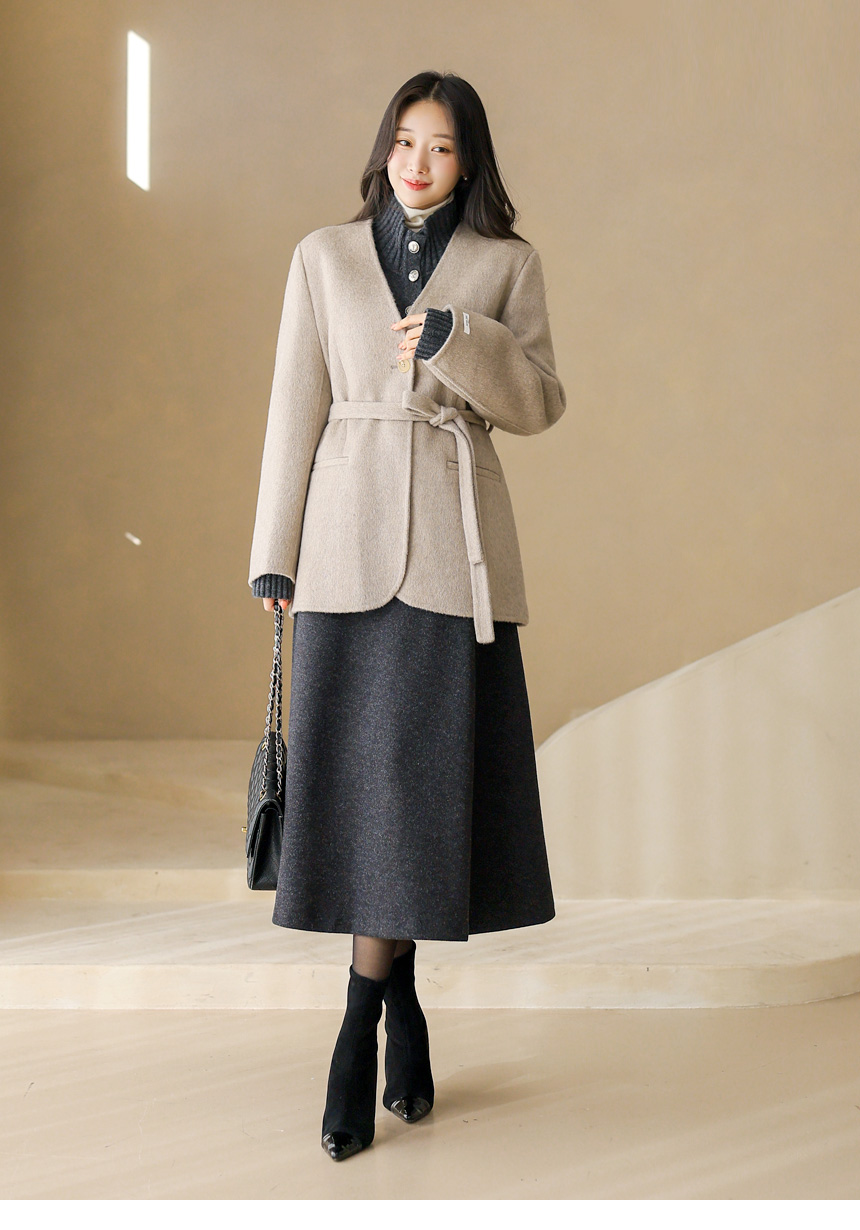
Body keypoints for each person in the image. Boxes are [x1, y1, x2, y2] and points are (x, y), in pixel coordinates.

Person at [248, 69, 566, 1162]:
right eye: (402, 142)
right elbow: (293, 404)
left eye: (439, 146)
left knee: (416, 802)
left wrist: (453, 338)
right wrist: (272, 551)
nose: (416, 163)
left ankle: (361, 1024)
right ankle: (389, 1011)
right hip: (341, 549)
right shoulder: (323, 257)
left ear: (467, 161)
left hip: (452, 558)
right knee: (362, 801)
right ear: (383, 149)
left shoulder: (507, 264)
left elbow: (539, 404)